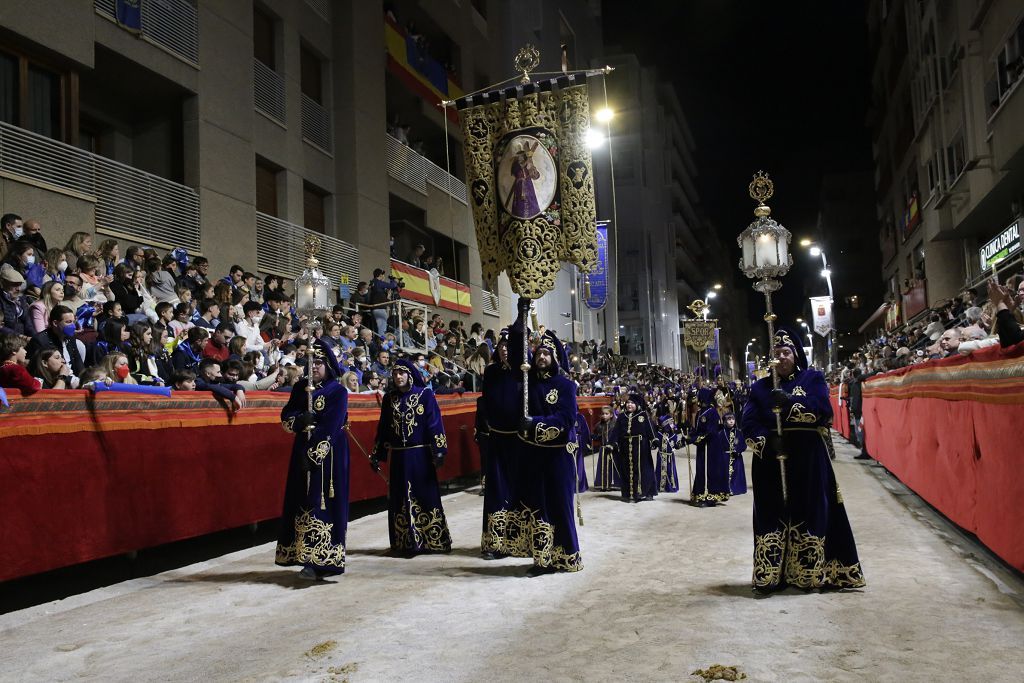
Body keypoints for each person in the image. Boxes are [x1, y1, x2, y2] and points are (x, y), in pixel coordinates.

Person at [741, 327, 866, 593]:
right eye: (776, 353)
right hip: (770, 460)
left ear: (796, 355)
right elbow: (748, 421)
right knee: (771, 512)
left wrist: (788, 402)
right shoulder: (760, 387)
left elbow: (823, 410)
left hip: (808, 457)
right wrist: (767, 441)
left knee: (809, 509)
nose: (781, 357)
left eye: (786, 352)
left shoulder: (813, 379)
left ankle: (806, 573)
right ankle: (771, 575)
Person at [275, 339, 350, 579]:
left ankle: (323, 561)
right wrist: (300, 421)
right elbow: (287, 415)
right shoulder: (300, 388)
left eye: (319, 362)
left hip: (328, 456)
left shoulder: (337, 391)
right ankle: (301, 554)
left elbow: (332, 424)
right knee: (301, 500)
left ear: (328, 364)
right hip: (301, 451)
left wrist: (314, 454)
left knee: (323, 502)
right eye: (310, 362)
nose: (314, 367)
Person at [517, 321, 583, 575]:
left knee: (559, 504)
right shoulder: (527, 385)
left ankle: (566, 557)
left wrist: (535, 423)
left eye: (546, 353)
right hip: (534, 455)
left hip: (558, 454)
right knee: (538, 505)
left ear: (554, 357)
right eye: (539, 353)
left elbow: (566, 419)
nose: (541, 357)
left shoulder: (566, 386)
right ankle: (542, 560)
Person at [369, 359, 452, 556]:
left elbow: (434, 423)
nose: (398, 376)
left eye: (402, 373)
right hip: (399, 458)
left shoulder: (425, 395)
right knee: (400, 498)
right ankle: (405, 543)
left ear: (410, 375)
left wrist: (439, 449)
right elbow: (384, 429)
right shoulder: (389, 399)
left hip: (420, 456)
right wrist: (377, 453)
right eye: (395, 373)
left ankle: (432, 541)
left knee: (425, 495)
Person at [611, 393, 658, 503]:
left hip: (642, 447)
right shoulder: (622, 417)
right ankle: (629, 494)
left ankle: (647, 492)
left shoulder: (643, 415)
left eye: (632, 403)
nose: (629, 405)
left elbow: (650, 429)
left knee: (644, 469)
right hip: (626, 447)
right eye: (628, 403)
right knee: (627, 470)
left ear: (637, 404)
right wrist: (611, 443)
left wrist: (654, 439)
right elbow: (616, 432)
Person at [690, 390, 733, 507]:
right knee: (701, 469)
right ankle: (700, 494)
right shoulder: (701, 412)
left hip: (711, 446)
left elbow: (711, 432)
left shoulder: (711, 412)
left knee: (711, 470)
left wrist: (695, 438)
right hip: (702, 447)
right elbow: (698, 429)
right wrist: (690, 436)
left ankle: (711, 497)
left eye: (699, 397)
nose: (697, 399)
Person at [591, 405, 620, 491]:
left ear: (611, 415)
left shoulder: (615, 425)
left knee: (613, 467)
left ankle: (614, 484)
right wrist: (593, 437)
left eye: (606, 414)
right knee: (603, 467)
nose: (604, 415)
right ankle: (603, 484)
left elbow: (618, 437)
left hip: (612, 449)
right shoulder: (600, 425)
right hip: (603, 449)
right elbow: (598, 437)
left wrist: (614, 445)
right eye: (603, 414)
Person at [655, 415, 682, 493]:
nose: (673, 425)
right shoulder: (659, 434)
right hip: (661, 456)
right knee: (660, 470)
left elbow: (676, 446)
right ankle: (659, 486)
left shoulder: (674, 435)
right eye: (671, 424)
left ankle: (670, 486)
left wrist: (683, 441)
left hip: (670, 457)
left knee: (670, 471)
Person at [722, 411, 747, 496]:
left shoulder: (739, 433)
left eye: (733, 419)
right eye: (729, 419)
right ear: (725, 421)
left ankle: (735, 488)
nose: (731, 421)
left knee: (736, 474)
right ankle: (726, 488)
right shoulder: (721, 433)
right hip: (725, 458)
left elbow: (743, 445)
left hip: (737, 458)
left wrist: (738, 450)